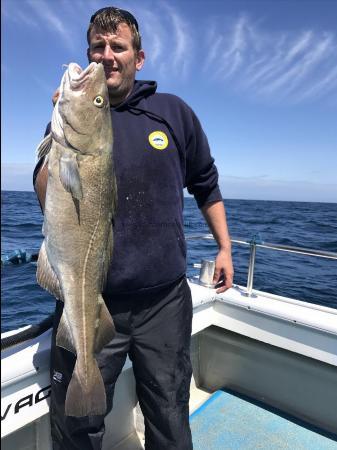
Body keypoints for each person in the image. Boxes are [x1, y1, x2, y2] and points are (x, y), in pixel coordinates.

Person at [34, 6, 234, 450]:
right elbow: (45, 195)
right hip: (91, 298)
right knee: (76, 427)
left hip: (164, 301)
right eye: (97, 47)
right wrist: (59, 134)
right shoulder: (67, 118)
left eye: (117, 47)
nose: (106, 56)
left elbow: (206, 183)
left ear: (137, 57)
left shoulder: (173, 113)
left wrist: (225, 248)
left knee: (167, 410)